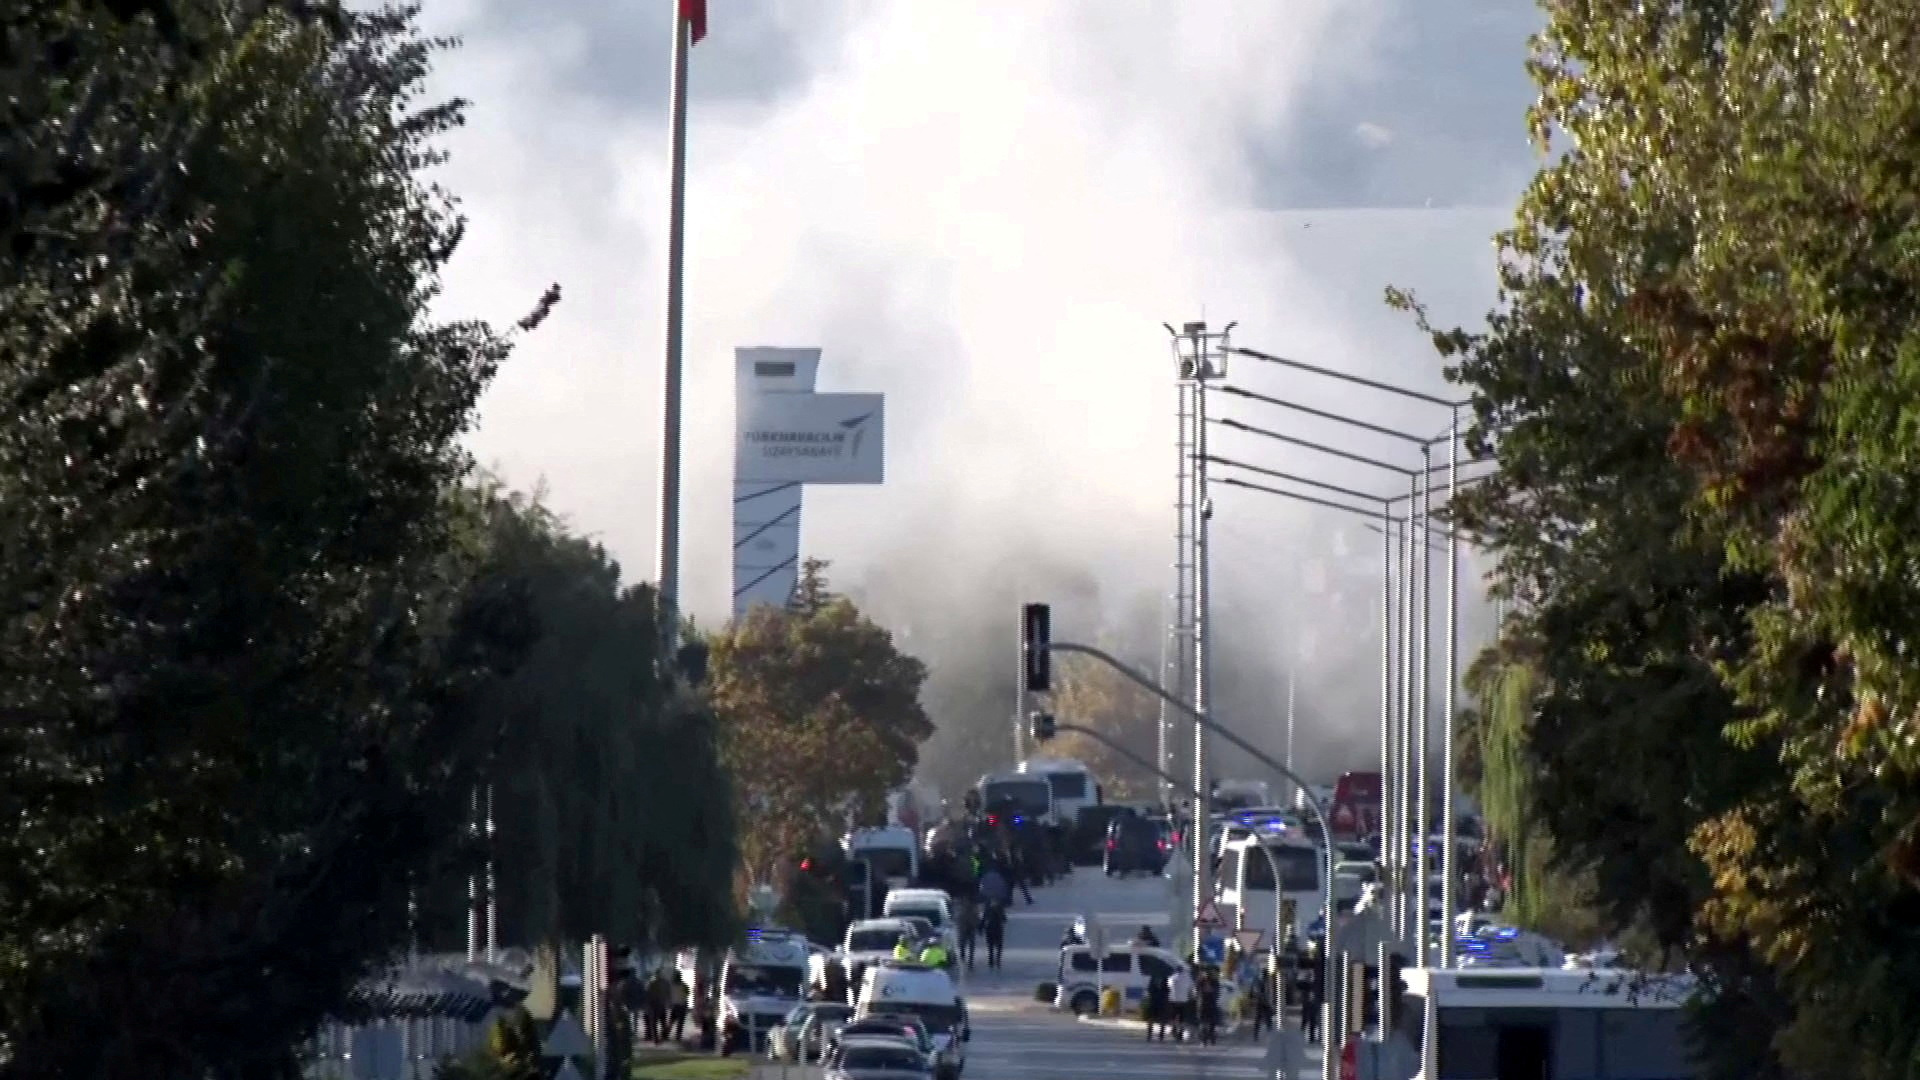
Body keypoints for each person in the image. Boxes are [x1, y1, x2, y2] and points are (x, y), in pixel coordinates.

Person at [1166, 964, 1193, 1043]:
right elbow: (1191, 988)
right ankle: (1181, 1032)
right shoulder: (1188, 978)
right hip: (1184, 1000)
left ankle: (1174, 1029)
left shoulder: (1172, 978)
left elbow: (1169, 987)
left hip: (1173, 999)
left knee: (1174, 1016)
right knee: (1182, 1018)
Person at [1144, 967, 1171, 1042]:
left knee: (1151, 1018)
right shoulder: (1165, 979)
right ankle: (1161, 1036)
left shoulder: (1153, 978)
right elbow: (1168, 990)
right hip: (1162, 1001)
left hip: (1153, 1000)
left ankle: (1149, 1035)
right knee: (1162, 1019)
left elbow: (1149, 989)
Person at [955, 893, 980, 971]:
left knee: (970, 945)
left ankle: (970, 961)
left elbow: (977, 918)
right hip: (964, 929)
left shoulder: (973, 909)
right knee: (963, 944)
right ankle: (964, 957)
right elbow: (958, 920)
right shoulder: (961, 910)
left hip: (970, 928)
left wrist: (977, 925)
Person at [1197, 967, 1221, 1046]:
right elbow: (1217, 993)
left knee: (1206, 1023)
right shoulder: (1213, 982)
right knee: (1209, 1023)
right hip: (1210, 1004)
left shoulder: (1203, 982)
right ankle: (1208, 1039)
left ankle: (1207, 1039)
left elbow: (1197, 992)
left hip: (1205, 1004)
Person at [981, 900, 1008, 971]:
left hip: (989, 929)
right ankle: (998, 961)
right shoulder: (1000, 910)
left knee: (990, 946)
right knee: (999, 946)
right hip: (998, 929)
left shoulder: (987, 910)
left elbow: (983, 921)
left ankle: (991, 961)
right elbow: (1004, 919)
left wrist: (980, 929)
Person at [668, 970, 691, 1043]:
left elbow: (669, 995)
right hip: (682, 1005)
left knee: (671, 1021)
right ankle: (678, 1036)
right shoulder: (684, 985)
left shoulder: (671, 986)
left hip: (675, 1006)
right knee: (680, 1022)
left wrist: (670, 1003)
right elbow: (687, 995)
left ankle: (666, 1034)